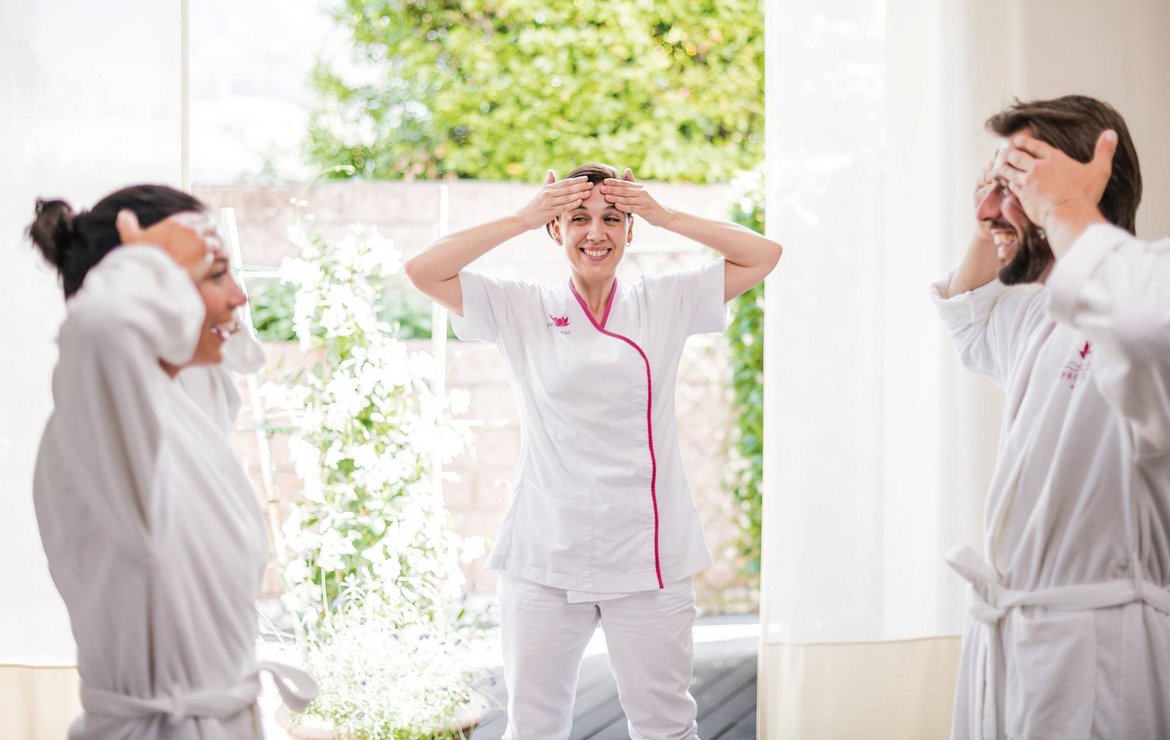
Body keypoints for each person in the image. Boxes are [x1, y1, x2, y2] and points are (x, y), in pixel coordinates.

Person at [405, 163, 781, 739]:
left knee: (665, 724)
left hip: (648, 556)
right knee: (534, 725)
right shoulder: (521, 307)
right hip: (545, 552)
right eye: (577, 218)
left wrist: (665, 213)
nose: (595, 233)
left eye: (612, 218)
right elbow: (422, 269)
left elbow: (763, 255)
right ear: (556, 231)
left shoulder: (666, 301)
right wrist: (523, 216)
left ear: (631, 231)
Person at [28, 185, 315, 738]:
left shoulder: (178, 408)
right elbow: (101, 330)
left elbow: (229, 353)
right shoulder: (92, 428)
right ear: (144, 290)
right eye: (213, 275)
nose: (240, 296)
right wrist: (144, 262)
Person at [932, 95, 1170, 739]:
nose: (984, 213)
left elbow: (1146, 327)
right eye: (988, 188)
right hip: (1018, 637)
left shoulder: (1151, 287)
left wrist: (1063, 207)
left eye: (1014, 188)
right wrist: (1002, 204)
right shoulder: (1042, 314)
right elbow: (967, 310)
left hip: (1102, 654)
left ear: (1084, 186)